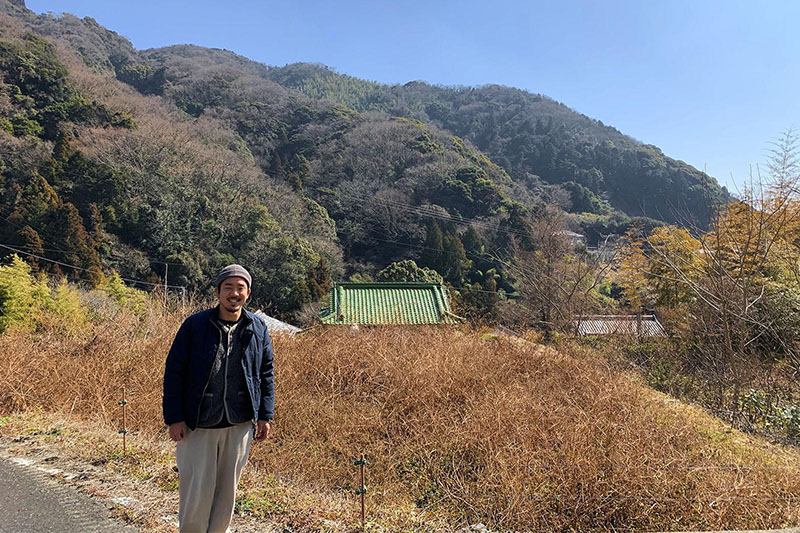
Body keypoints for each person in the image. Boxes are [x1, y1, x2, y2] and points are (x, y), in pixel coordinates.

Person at [163, 264, 274, 533]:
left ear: (248, 292)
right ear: (218, 291)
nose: (234, 293)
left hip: (238, 423)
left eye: (240, 288)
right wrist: (174, 417)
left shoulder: (257, 327)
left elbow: (266, 372)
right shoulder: (195, 325)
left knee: (227, 494)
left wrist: (265, 415)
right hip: (198, 423)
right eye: (228, 287)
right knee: (196, 493)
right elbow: (174, 370)